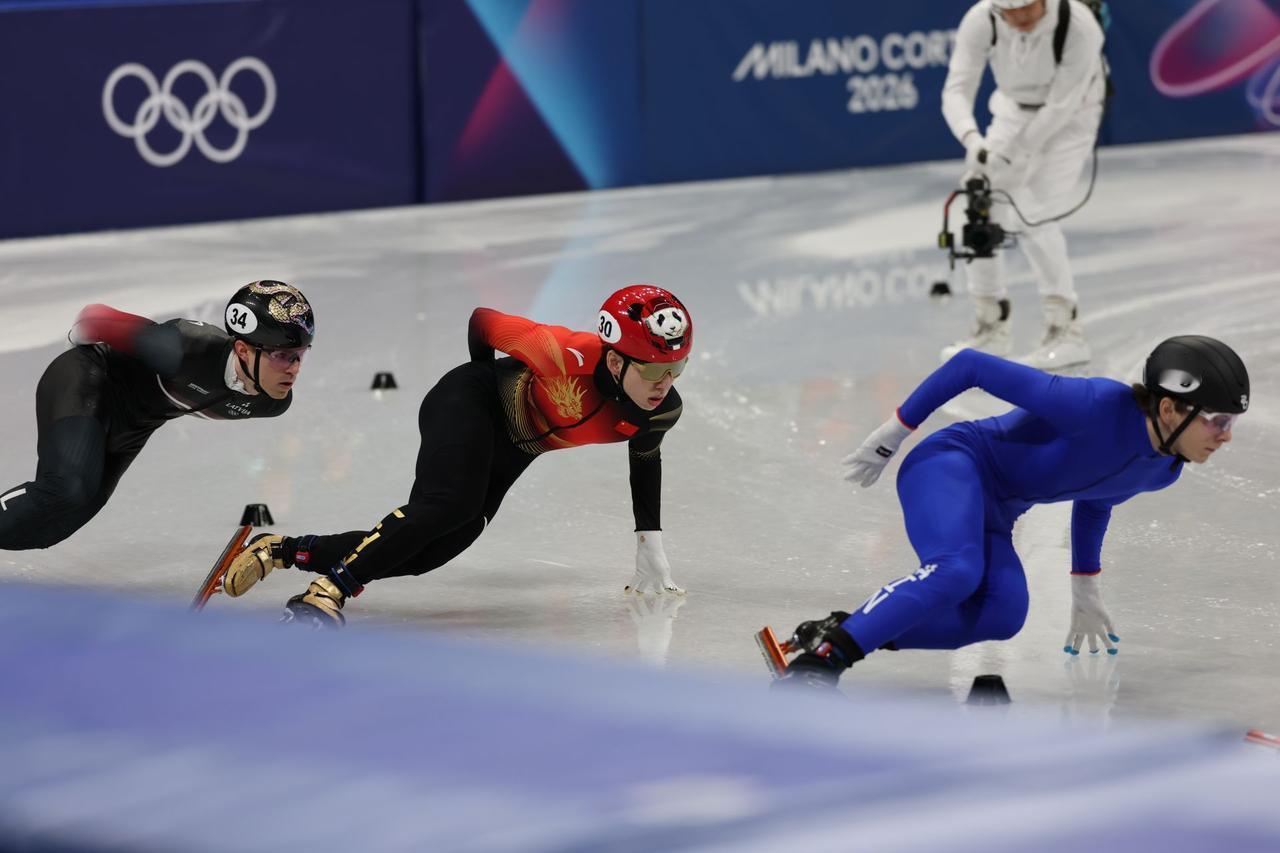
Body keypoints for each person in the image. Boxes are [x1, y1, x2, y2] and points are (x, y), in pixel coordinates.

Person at [772, 336, 1249, 690]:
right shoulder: (1094, 405)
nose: (1226, 435)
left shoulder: (1163, 469)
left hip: (998, 509)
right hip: (953, 464)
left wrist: (1084, 585)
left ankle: (843, 630)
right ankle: (821, 663)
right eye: (1218, 421)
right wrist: (894, 431)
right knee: (957, 571)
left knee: (1002, 615)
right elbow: (970, 365)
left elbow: (1097, 501)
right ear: (1169, 408)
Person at [220, 284, 692, 627]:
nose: (665, 384)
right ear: (614, 360)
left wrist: (650, 548)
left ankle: (280, 550)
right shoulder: (559, 352)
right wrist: (482, 387)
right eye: (655, 370)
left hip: (516, 448)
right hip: (471, 401)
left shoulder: (659, 411)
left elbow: (646, 461)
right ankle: (327, 593)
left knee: (432, 551)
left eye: (676, 368)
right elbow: (483, 321)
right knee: (449, 504)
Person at [0, 281, 315, 550]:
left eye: (300, 355)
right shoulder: (186, 348)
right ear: (244, 350)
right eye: (281, 356)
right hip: (88, 380)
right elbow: (95, 319)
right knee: (67, 488)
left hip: (136, 423)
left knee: (58, 525)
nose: (293, 369)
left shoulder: (272, 403)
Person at [940, 0, 1107, 369]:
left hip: (1072, 118)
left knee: (1033, 212)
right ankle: (991, 324)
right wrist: (973, 141)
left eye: (1027, 9)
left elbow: (1061, 106)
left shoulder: (1079, 27)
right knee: (978, 204)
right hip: (1012, 111)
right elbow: (956, 89)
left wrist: (1014, 154)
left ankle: (1067, 331)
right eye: (1009, 11)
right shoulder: (981, 19)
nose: (1018, 18)